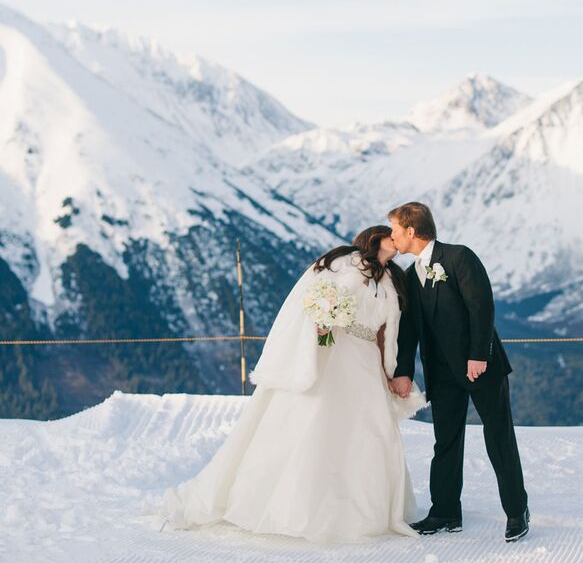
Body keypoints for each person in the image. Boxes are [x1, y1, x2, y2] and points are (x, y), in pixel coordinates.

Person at [159, 225, 428, 543]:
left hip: (367, 360)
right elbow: (315, 298)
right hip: (336, 354)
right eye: (390, 235)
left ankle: (365, 509)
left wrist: (389, 370)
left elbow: (387, 330)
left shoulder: (392, 278)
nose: (396, 240)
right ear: (376, 239)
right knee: (320, 421)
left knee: (372, 429)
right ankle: (300, 507)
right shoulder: (345, 263)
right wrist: (323, 322)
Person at [387, 202, 530, 542]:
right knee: (446, 442)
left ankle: (516, 511)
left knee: (498, 437)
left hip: (481, 367)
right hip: (442, 374)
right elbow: (407, 332)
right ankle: (445, 512)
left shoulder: (458, 257)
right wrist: (404, 371)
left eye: (394, 229)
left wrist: (479, 355)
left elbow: (482, 306)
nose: (392, 237)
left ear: (411, 230)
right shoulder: (409, 277)